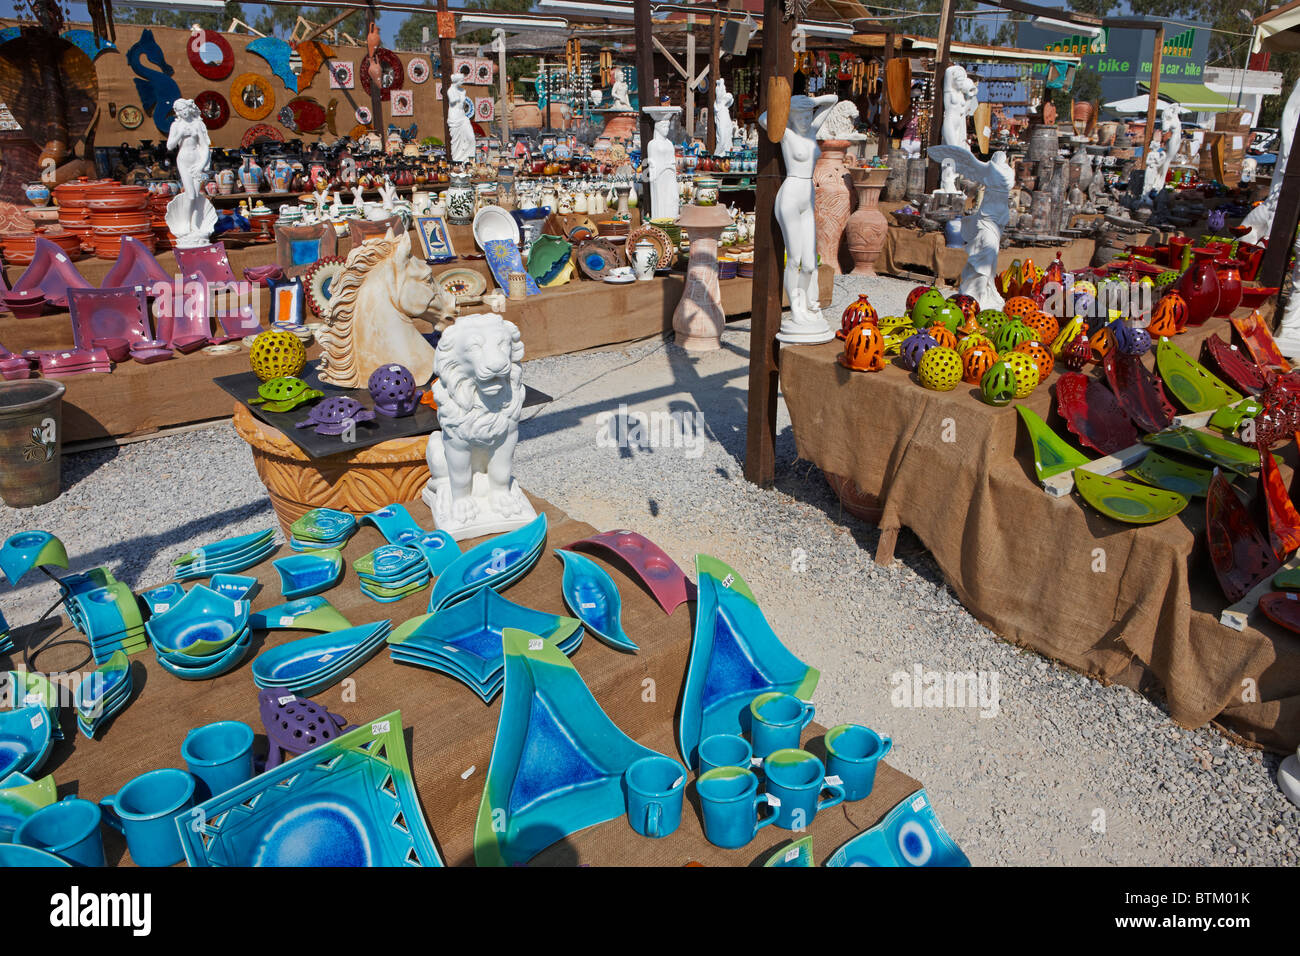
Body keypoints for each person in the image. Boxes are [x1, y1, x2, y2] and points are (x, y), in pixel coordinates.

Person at [758, 92, 839, 339]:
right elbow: (764, 117)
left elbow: (833, 100)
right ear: (791, 117)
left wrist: (812, 102)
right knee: (793, 259)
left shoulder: (811, 132)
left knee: (811, 262)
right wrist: (786, 105)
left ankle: (809, 304)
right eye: (800, 116)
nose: (805, 120)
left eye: (808, 115)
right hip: (791, 196)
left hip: (808, 198)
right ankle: (796, 309)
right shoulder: (786, 134)